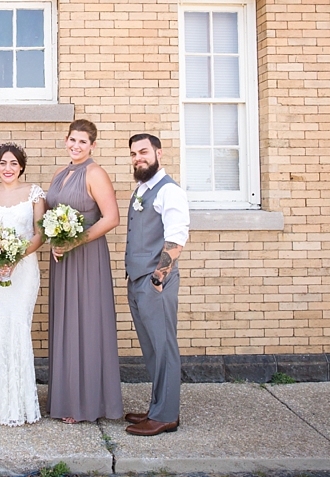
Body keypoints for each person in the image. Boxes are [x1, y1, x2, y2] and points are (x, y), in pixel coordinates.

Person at [44, 119, 123, 423]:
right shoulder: (61, 173)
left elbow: (111, 218)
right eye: (72, 140)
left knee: (86, 323)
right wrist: (54, 239)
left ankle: (85, 404)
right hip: (63, 259)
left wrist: (76, 240)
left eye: (83, 142)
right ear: (66, 140)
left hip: (87, 257)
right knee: (66, 323)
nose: (76, 146)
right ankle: (67, 399)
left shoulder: (95, 172)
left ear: (92, 145)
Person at [0, 143, 46, 426]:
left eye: (13, 163)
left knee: (18, 327)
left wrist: (15, 256)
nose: (8, 168)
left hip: (24, 269)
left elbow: (39, 235)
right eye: (3, 163)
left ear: (21, 166)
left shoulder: (35, 193)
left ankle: (22, 404)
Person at [123, 133, 189, 436]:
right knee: (151, 349)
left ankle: (166, 415)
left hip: (154, 282)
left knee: (164, 348)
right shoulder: (142, 189)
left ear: (159, 153)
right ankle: (157, 406)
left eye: (144, 152)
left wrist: (158, 278)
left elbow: (176, 237)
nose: (139, 158)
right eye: (135, 154)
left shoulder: (169, 190)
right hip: (137, 280)